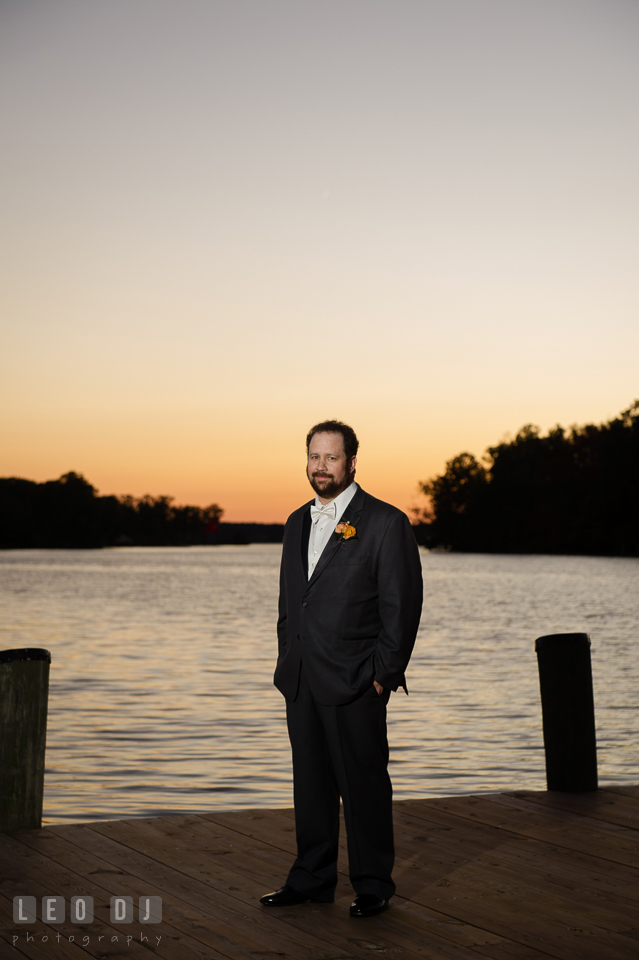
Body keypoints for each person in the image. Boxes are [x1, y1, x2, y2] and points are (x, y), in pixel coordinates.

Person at [260, 420, 423, 918]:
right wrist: (289, 657)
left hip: (357, 681)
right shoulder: (295, 522)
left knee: (364, 786)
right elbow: (292, 605)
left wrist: (382, 673)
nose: (321, 467)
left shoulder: (385, 522)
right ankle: (311, 878)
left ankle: (372, 884)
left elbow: (403, 605)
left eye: (332, 458)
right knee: (309, 785)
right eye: (314, 457)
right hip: (303, 679)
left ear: (352, 462)